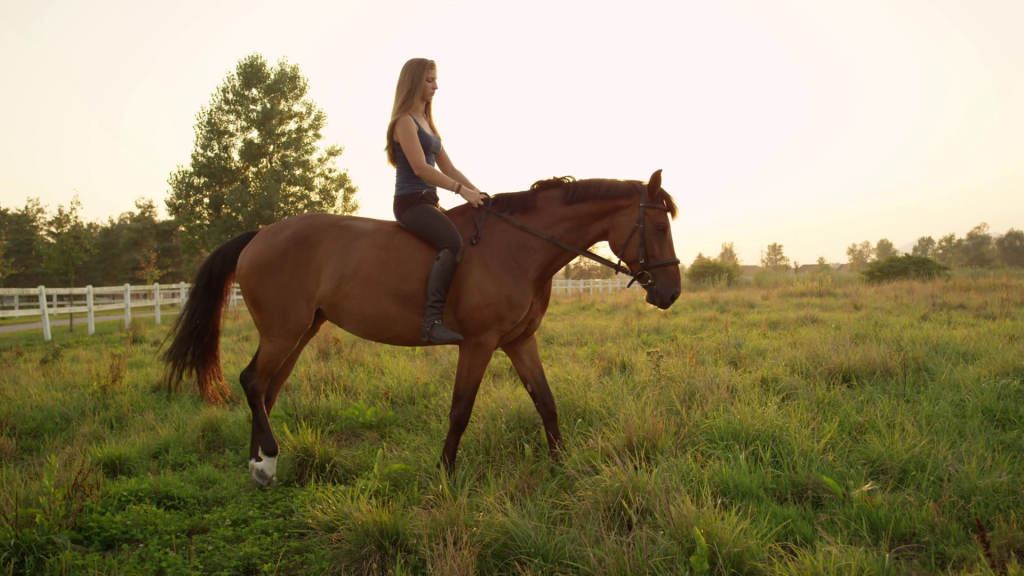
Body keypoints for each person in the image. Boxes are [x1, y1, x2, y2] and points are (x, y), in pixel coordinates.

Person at [386, 58, 484, 345]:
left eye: (435, 80)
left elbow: (449, 169)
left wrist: (478, 193)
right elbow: (421, 168)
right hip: (410, 203)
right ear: (414, 82)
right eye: (429, 80)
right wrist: (459, 191)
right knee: (452, 243)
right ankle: (431, 323)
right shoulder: (404, 122)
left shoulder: (427, 123)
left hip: (430, 200)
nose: (435, 86)